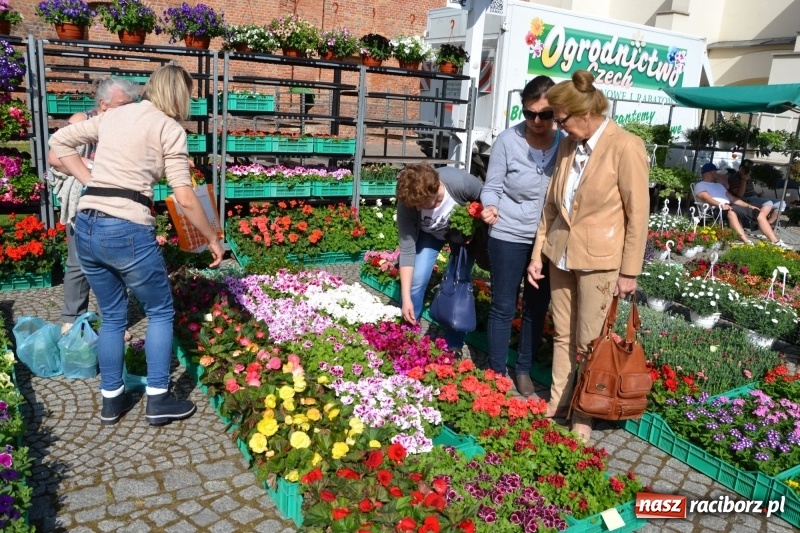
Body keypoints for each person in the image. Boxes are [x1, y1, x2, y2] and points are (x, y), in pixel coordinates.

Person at [48, 65, 224, 427]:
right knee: (160, 311)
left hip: (87, 224)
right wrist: (212, 239)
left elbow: (58, 142)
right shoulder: (170, 129)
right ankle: (158, 399)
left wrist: (92, 180)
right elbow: (186, 198)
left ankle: (111, 400)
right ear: (180, 95)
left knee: (112, 316)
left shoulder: (116, 115)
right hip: (126, 226)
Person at [526, 70, 650, 443]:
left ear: (583, 114)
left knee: (590, 341)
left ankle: (585, 412)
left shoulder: (625, 146)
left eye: (560, 120)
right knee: (562, 334)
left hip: (601, 260)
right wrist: (538, 255)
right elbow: (551, 205)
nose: (557, 128)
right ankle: (560, 401)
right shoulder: (569, 146)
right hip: (561, 254)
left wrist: (629, 272)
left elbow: (638, 215)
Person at [480, 75, 562, 396]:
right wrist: (490, 207)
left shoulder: (565, 143)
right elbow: (493, 186)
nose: (537, 121)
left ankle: (524, 368)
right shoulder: (507, 141)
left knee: (536, 307)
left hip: (546, 240)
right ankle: (497, 370)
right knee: (503, 305)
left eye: (545, 114)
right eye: (530, 114)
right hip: (508, 233)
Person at [47, 77, 141, 336]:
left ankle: (113, 320)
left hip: (117, 201)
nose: (127, 110)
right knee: (78, 262)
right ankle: (72, 319)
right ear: (102, 103)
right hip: (83, 202)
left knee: (116, 261)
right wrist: (88, 169)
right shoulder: (82, 121)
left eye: (130, 104)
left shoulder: (127, 125)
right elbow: (55, 156)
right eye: (121, 104)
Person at [396, 163, 483, 357]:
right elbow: (408, 249)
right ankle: (408, 333)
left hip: (462, 237)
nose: (417, 208)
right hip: (429, 236)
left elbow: (486, 199)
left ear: (435, 191)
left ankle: (454, 342)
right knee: (417, 279)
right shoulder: (408, 201)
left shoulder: (460, 183)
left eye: (422, 204)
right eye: (414, 205)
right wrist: (406, 298)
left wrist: (472, 226)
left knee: (460, 282)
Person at [695, 162, 789, 248]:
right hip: (715, 209)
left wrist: (748, 206)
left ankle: (776, 242)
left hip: (730, 207)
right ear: (711, 172)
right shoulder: (700, 185)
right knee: (731, 213)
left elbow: (733, 199)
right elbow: (706, 198)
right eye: (716, 172)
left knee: (758, 213)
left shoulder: (718, 185)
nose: (718, 174)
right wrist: (721, 204)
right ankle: (746, 241)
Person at [725, 159, 779, 224]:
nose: (747, 172)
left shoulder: (749, 178)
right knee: (768, 203)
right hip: (745, 199)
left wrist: (757, 194)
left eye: (749, 170)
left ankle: (768, 224)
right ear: (740, 168)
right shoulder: (734, 178)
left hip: (754, 197)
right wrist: (744, 181)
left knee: (780, 204)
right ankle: (758, 223)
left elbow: (750, 190)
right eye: (745, 170)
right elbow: (739, 195)